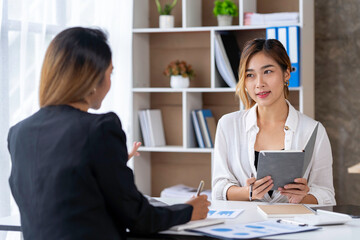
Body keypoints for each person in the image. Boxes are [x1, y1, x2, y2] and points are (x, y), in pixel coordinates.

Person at [7, 27, 210, 240]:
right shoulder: (100, 129)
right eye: (110, 72)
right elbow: (137, 216)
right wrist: (188, 211)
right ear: (92, 78)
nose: (110, 82)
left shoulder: (19, 133)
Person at [212, 38, 335, 205]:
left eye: (268, 71)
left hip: (294, 226)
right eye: (250, 75)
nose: (259, 83)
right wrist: (247, 192)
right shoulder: (228, 125)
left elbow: (327, 194)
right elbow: (219, 188)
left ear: (286, 74)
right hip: (243, 227)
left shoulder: (313, 130)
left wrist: (303, 198)